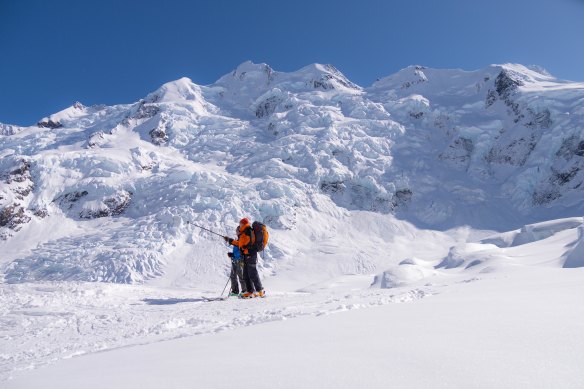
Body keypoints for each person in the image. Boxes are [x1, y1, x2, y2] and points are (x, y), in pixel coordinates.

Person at [224, 218, 265, 298]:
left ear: (243, 224)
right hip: (246, 255)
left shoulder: (247, 231)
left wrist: (242, 245)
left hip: (250, 254)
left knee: (252, 273)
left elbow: (244, 243)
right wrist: (231, 241)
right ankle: (250, 291)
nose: (240, 225)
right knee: (246, 274)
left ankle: (260, 290)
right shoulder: (244, 232)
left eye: (240, 223)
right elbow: (240, 243)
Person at [227, 226, 248, 297]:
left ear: (240, 231)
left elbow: (241, 251)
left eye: (237, 231)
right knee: (233, 276)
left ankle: (245, 291)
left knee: (241, 276)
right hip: (235, 260)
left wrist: (233, 254)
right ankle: (235, 291)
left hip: (240, 260)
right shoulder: (238, 239)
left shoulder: (242, 239)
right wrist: (232, 255)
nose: (236, 232)